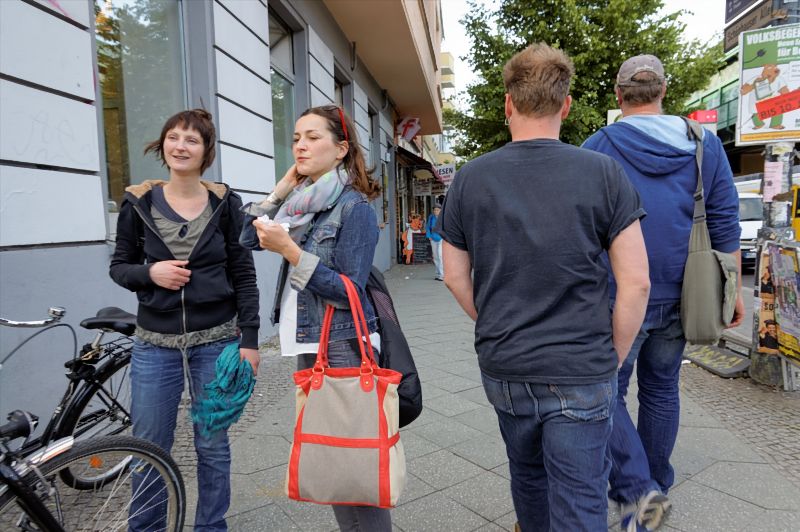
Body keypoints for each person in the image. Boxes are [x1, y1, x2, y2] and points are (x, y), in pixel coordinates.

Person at [437, 43, 651, 532]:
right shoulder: (604, 173)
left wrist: (494, 321)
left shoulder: (470, 179)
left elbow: (453, 275)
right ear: (567, 104)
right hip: (581, 363)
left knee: (529, 478)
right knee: (580, 499)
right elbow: (636, 282)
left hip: (506, 363)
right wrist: (612, 355)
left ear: (508, 104)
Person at [583, 55, 743, 531]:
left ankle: (638, 491)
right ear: (663, 92)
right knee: (662, 389)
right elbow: (724, 216)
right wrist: (733, 291)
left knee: (605, 390)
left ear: (618, 95)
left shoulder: (600, 146)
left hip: (618, 294)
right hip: (685, 293)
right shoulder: (703, 143)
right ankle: (655, 488)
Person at [109, 108, 260, 531]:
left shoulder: (225, 205)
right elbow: (119, 266)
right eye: (173, 137)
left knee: (212, 445)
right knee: (149, 446)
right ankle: (147, 527)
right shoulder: (138, 203)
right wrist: (149, 273)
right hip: (154, 344)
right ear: (163, 145)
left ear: (205, 152)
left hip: (216, 342)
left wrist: (249, 339)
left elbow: (243, 274)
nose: (181, 145)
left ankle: (210, 527)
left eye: (192, 140)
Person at [244, 105, 386, 531]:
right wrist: (281, 189)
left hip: (341, 345)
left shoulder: (353, 208)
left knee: (354, 468)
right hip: (311, 344)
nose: (300, 145)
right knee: (336, 464)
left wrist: (291, 253)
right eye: (296, 138)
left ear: (341, 149)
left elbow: (349, 292)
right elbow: (241, 238)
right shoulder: (301, 204)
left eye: (312, 137)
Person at [740, 64, 790, 130]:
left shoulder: (779, 79)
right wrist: (753, 85)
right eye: (766, 74)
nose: (767, 78)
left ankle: (775, 124)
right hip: (757, 103)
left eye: (769, 76)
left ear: (776, 74)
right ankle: (759, 124)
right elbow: (743, 91)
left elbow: (784, 90)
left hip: (772, 102)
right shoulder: (756, 79)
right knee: (755, 114)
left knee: (778, 110)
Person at [426, 205, 444, 280]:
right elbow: (427, 227)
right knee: (435, 257)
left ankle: (442, 275)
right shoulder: (431, 217)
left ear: (440, 210)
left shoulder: (443, 218)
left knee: (440, 256)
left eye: (437, 210)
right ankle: (437, 273)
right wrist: (429, 236)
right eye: (435, 210)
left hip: (441, 239)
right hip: (433, 239)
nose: (436, 211)